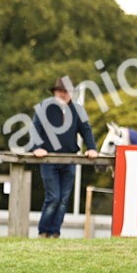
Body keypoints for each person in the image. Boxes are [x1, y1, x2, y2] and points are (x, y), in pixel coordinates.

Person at [31, 77, 98, 238]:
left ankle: (55, 232)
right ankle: (43, 231)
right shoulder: (44, 107)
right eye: (61, 91)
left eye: (67, 92)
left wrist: (91, 148)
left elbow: (86, 130)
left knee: (63, 200)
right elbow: (35, 128)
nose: (64, 94)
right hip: (49, 159)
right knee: (53, 197)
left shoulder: (77, 110)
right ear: (55, 92)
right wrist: (37, 148)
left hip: (70, 159)